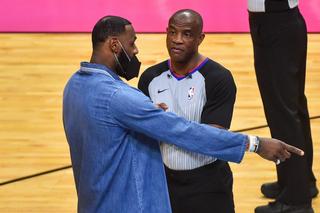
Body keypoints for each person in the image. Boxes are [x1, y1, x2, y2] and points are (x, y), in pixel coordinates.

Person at [63, 15, 303, 213]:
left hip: (91, 200)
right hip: (125, 202)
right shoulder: (121, 97)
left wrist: (143, 114)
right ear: (115, 45)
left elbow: (107, 127)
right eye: (132, 43)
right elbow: (184, 131)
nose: (135, 50)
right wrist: (255, 144)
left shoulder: (74, 86)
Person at [138, 9, 238, 213]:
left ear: (200, 38)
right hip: (164, 183)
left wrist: (160, 124)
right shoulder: (150, 78)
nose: (177, 40)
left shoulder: (219, 78)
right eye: (172, 32)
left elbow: (211, 139)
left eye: (186, 34)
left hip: (209, 185)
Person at [248, 1, 318, 213]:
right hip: (277, 22)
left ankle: (296, 201)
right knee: (292, 107)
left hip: (276, 23)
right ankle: (299, 181)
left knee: (284, 112)